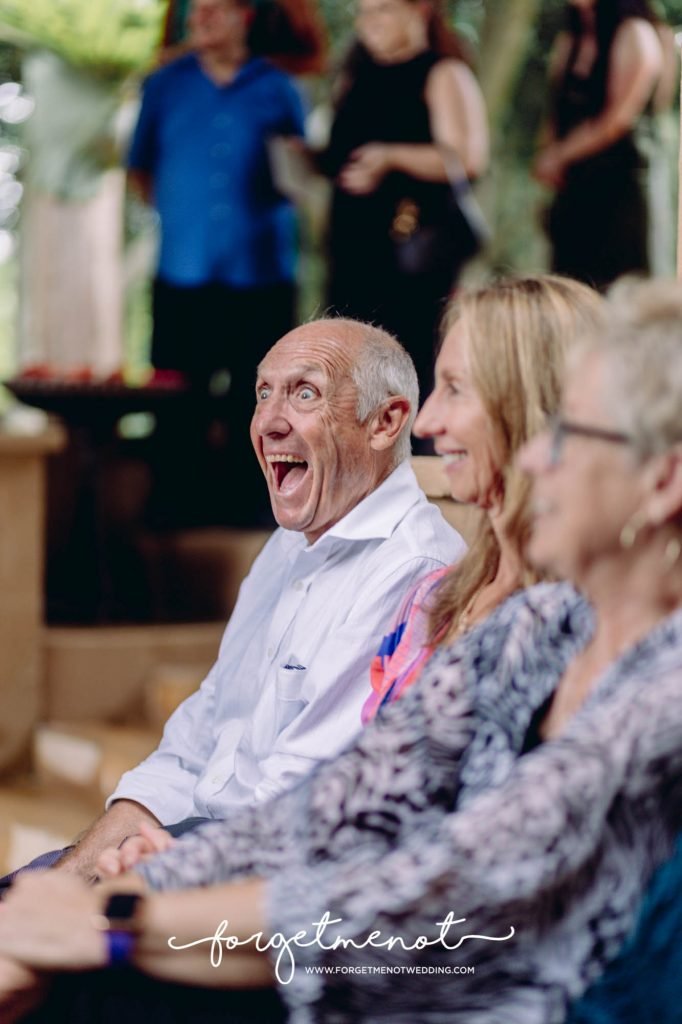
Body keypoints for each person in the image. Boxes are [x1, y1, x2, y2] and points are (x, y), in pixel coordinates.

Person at [2, 277, 681, 1024]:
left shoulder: (664, 682)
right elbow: (331, 807)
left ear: (665, 478)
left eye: (567, 435)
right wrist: (119, 896)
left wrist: (121, 925)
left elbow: (449, 885)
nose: (531, 464)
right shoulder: (539, 626)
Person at [96, 273, 604, 874]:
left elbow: (443, 871)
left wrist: (173, 891)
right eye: (262, 394)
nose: (427, 422)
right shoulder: (446, 593)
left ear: (539, 414)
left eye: (455, 390)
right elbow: (351, 802)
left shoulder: (549, 616)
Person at [1, 317, 462, 888]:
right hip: (192, 843)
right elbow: (195, 739)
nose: (268, 422)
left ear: (385, 422)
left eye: (305, 393)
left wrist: (125, 891)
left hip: (259, 888)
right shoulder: (285, 548)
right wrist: (73, 876)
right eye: (263, 393)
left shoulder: (414, 570)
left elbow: (291, 810)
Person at [363, 274, 604, 720]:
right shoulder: (432, 597)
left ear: (534, 405)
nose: (425, 423)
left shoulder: (594, 628)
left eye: (454, 389)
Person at [129, 0, 311, 525]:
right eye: (194, 13)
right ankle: (172, 520)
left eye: (214, 11)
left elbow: (298, 174)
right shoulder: (163, 85)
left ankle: (254, 519)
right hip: (182, 269)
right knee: (176, 400)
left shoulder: (278, 87)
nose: (200, 21)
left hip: (262, 271)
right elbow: (139, 170)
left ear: (244, 17)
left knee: (260, 403)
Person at [322, 0, 488, 406]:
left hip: (412, 255)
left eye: (382, 11)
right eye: (362, 12)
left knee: (408, 372)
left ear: (420, 10)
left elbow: (467, 158)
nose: (369, 23)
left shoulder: (443, 71)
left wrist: (391, 158)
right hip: (352, 246)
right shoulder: (355, 74)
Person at [533, 0, 663, 291]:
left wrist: (558, 155)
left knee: (617, 293)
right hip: (574, 190)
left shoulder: (635, 34)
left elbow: (615, 122)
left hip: (619, 191)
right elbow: (555, 111)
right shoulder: (570, 39)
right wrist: (548, 155)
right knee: (568, 289)